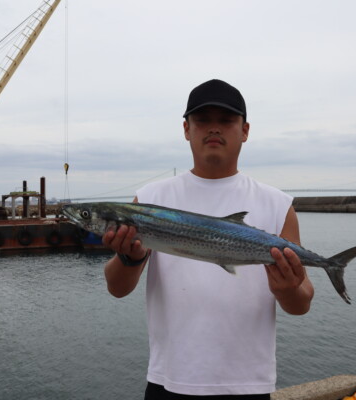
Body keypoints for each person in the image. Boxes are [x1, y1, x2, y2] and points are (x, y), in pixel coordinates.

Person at [103, 79, 314, 399]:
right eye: (203, 120)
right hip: (169, 380)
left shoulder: (277, 204)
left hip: (248, 384)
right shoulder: (150, 199)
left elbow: (301, 304)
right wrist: (128, 258)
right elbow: (117, 288)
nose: (214, 129)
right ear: (186, 129)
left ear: (245, 130)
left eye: (226, 120)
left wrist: (288, 289)